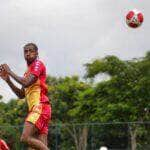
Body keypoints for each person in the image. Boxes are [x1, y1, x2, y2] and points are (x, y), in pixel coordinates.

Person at [0, 43, 51, 150]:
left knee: (25, 137)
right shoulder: (26, 73)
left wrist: (9, 71)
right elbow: (21, 94)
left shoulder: (38, 64)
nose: (28, 54)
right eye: (26, 51)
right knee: (40, 147)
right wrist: (8, 80)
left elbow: (26, 83)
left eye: (31, 51)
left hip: (40, 107)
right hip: (39, 110)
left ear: (36, 53)